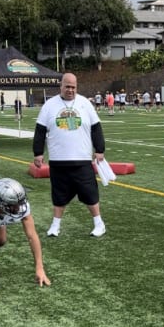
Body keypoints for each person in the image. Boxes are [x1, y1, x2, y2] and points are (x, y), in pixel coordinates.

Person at [33, 72, 107, 238]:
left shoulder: (85, 104)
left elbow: (96, 127)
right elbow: (40, 130)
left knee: (90, 194)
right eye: (67, 86)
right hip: (58, 160)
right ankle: (55, 225)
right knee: (59, 195)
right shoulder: (49, 105)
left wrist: (100, 149)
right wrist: (38, 153)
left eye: (73, 87)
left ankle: (99, 223)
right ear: (61, 86)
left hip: (81, 159)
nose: (70, 90)